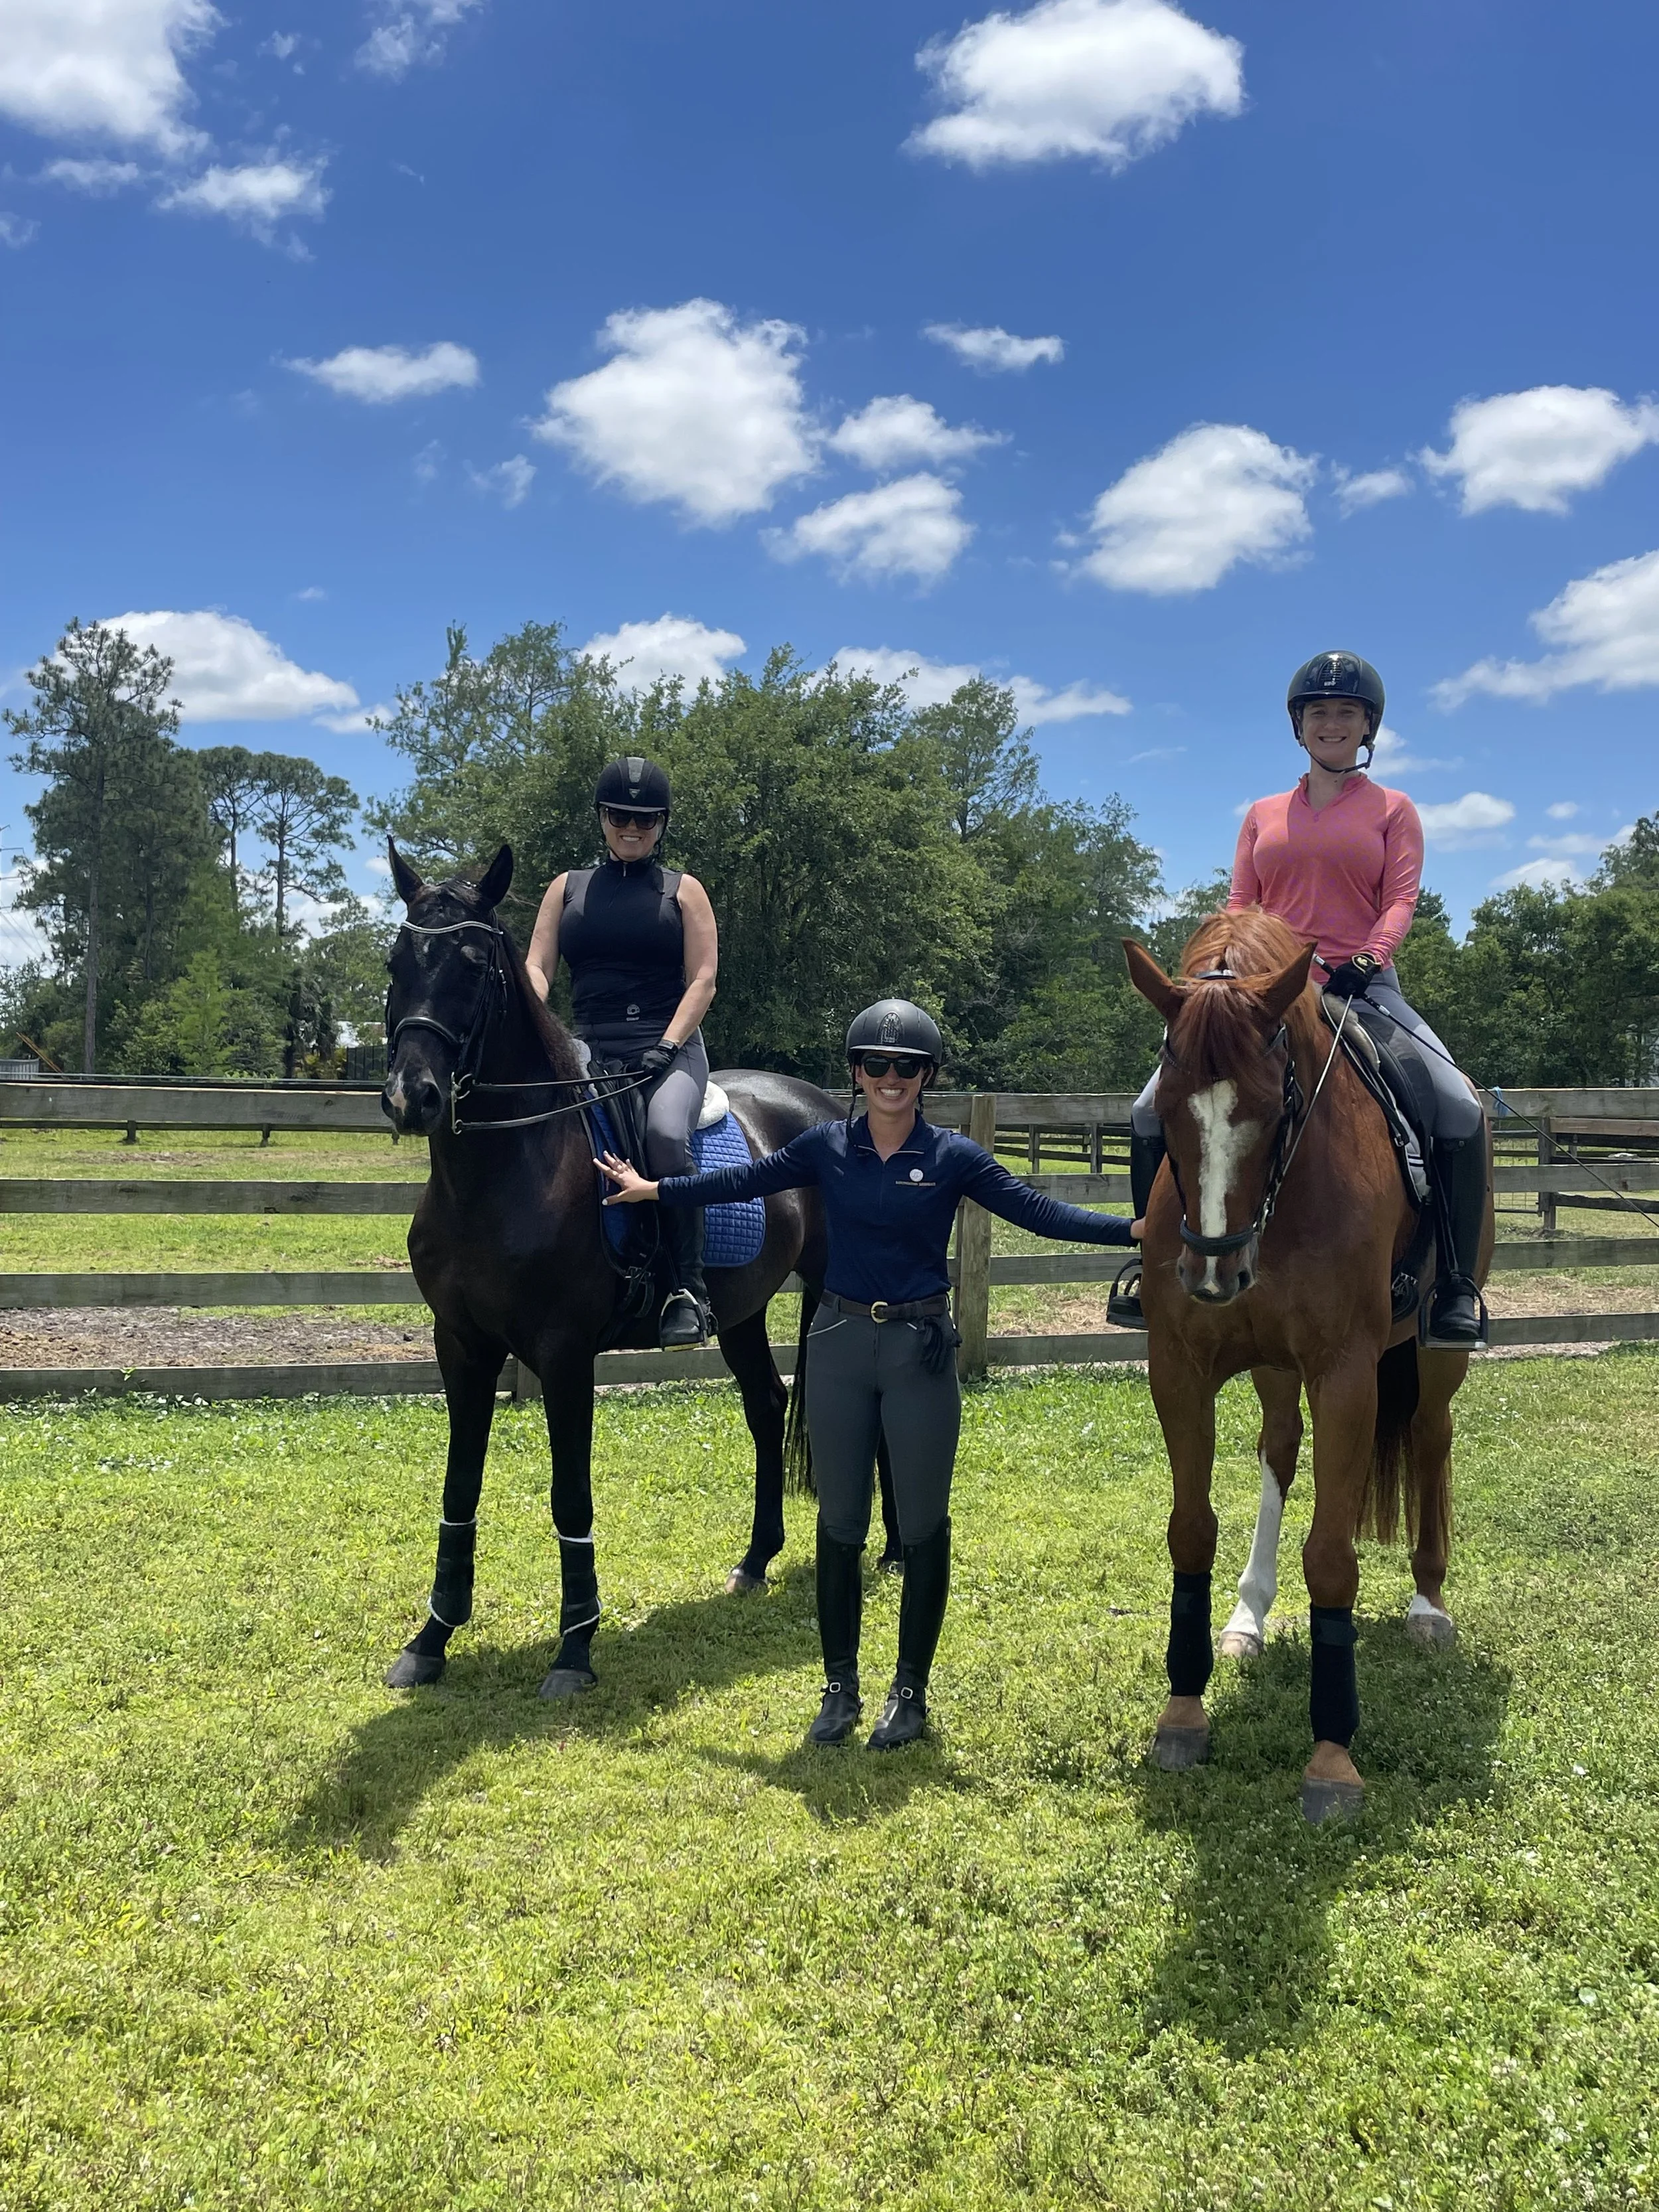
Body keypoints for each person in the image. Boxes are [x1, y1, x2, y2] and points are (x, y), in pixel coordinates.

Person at [596, 999, 1143, 1750]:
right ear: (856, 1072)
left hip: (918, 1351)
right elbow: (739, 1183)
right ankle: (839, 1687)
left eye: (907, 1067)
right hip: (840, 1347)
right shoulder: (823, 1147)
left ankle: (910, 1694)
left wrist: (1135, 1230)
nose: (891, 1078)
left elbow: (1039, 1212)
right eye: (876, 1065)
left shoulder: (954, 1158)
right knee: (840, 1526)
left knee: (921, 1528)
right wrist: (655, 1189)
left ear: (926, 1076)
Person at [1111, 649, 1486, 1347]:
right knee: (1146, 1106)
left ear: (1367, 726)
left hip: (1361, 987)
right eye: (1319, 712)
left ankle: (1456, 1286)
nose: (1332, 723)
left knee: (1457, 1102)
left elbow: (1401, 897)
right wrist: (1222, 972)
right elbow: (1239, 903)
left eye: (1346, 713)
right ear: (1299, 725)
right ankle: (1147, 1261)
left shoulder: (1393, 810)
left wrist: (1369, 957)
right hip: (1261, 1000)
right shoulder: (1262, 814)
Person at [526, 756, 719, 1350]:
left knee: (663, 1135)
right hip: (586, 1045)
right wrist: (539, 1027)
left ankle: (688, 1289)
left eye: (645, 818)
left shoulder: (684, 891)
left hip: (669, 1047)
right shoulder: (566, 888)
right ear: (602, 818)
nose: (631, 828)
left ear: (661, 824)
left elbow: (704, 977)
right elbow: (537, 966)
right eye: (619, 815)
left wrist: (668, 1044)